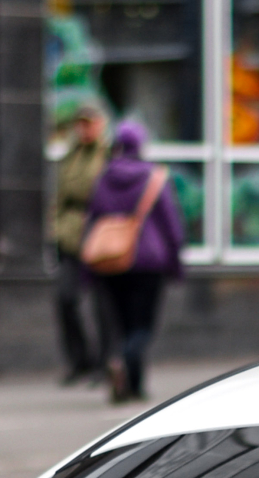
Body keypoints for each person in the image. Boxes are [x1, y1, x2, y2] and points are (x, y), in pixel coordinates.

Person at [85, 120, 186, 403]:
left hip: (111, 261)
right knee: (142, 327)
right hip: (149, 264)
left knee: (122, 323)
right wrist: (176, 266)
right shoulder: (154, 177)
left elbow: (91, 221)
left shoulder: (104, 177)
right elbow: (172, 226)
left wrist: (87, 271)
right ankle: (126, 362)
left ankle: (129, 379)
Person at [51, 102, 111, 384]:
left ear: (101, 124)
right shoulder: (71, 155)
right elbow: (61, 196)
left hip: (97, 235)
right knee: (65, 299)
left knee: (103, 305)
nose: (84, 129)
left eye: (90, 123)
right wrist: (56, 230)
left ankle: (104, 364)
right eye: (81, 123)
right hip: (70, 237)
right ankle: (80, 360)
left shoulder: (108, 154)